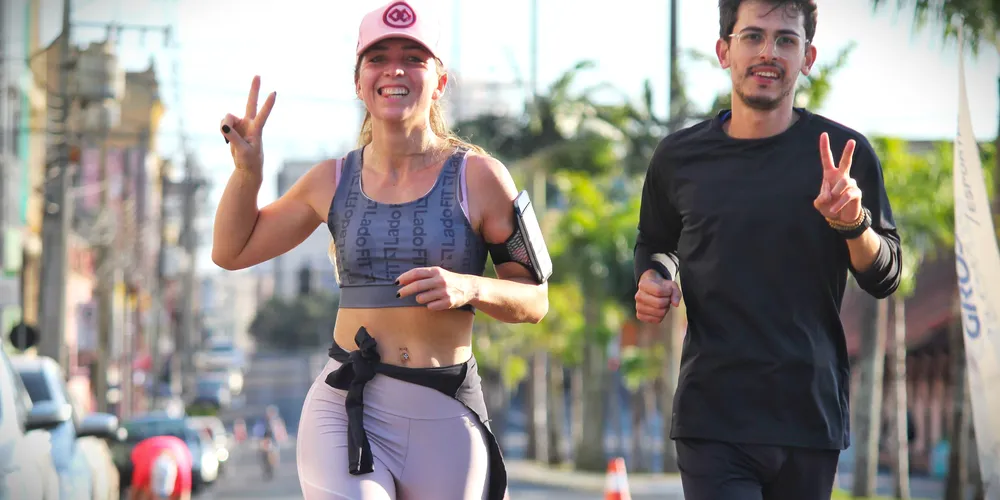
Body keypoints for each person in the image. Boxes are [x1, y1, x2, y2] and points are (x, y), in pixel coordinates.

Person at [211, 1, 551, 498]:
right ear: (358, 82)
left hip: (445, 409)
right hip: (346, 404)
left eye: (413, 56)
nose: (394, 68)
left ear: (439, 80)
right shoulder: (330, 179)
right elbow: (231, 251)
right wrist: (247, 174)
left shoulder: (480, 177)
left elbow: (535, 300)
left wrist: (468, 287)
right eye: (377, 57)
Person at [632, 1, 902, 499]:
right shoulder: (679, 157)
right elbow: (656, 242)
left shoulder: (845, 156)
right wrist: (652, 278)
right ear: (724, 51)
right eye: (752, 36)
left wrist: (852, 224)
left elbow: (883, 276)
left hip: (808, 416)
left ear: (808, 57)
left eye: (786, 40)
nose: (768, 52)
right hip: (713, 414)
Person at [128, 435, 193, 500]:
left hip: (180, 448)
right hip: (146, 448)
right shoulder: (142, 465)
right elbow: (135, 491)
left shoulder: (183, 472)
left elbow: (184, 495)